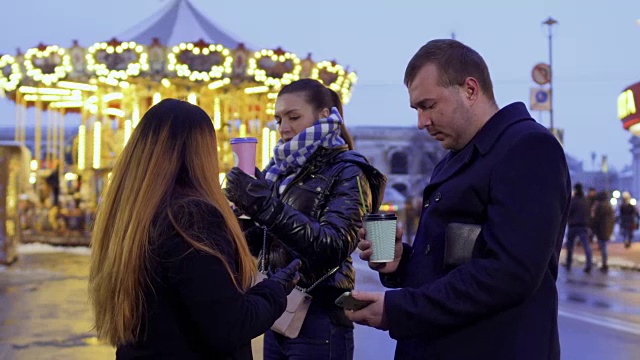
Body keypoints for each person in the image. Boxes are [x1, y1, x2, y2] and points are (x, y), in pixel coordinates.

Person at [346, 39, 570, 360]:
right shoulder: (457, 155)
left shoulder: (528, 148)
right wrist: (401, 261)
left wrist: (399, 310)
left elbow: (508, 273)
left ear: (470, 89)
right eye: (417, 109)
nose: (421, 122)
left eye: (428, 105)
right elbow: (455, 261)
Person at [88, 99, 301, 360]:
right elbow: (229, 326)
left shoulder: (130, 214)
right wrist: (275, 289)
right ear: (201, 153)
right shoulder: (191, 218)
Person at [225, 78, 386, 360]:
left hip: (319, 315)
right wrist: (240, 215)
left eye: (293, 116)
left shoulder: (348, 171)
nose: (283, 127)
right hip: (279, 310)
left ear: (324, 115)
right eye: (278, 119)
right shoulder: (281, 170)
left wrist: (266, 206)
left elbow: (333, 246)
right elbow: (268, 248)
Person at [564, 183, 593, 273]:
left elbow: (568, 212)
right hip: (584, 225)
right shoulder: (586, 201)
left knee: (570, 246)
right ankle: (589, 264)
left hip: (573, 226)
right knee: (586, 246)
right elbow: (589, 213)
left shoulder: (573, 201)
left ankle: (568, 263)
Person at [592, 191, 615, 272]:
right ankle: (604, 263)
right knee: (603, 246)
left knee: (603, 248)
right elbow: (612, 219)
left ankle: (604, 264)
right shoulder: (609, 206)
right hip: (607, 229)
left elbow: (596, 219)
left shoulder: (599, 206)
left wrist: (593, 229)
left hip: (601, 229)